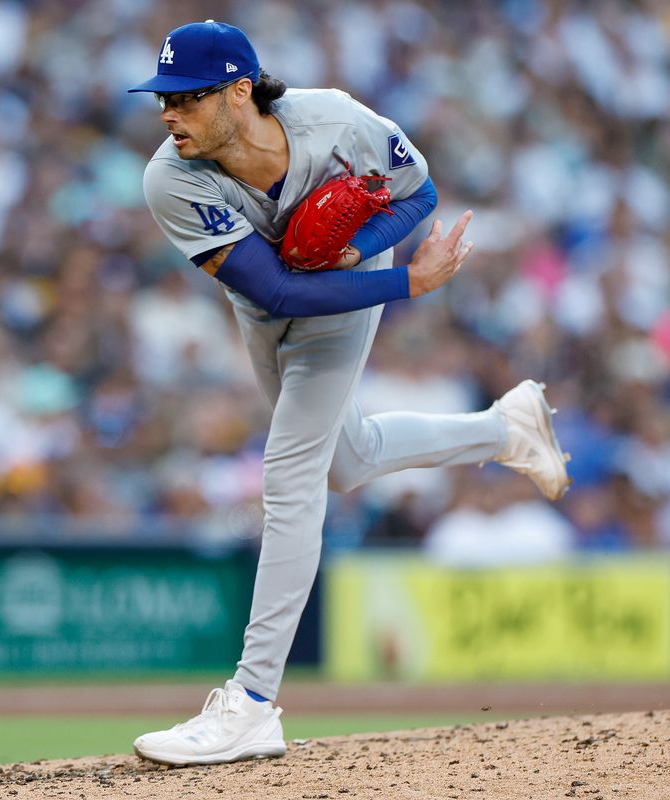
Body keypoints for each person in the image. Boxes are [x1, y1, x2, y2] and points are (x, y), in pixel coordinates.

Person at [127, 20, 571, 766]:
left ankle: (255, 701)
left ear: (241, 92)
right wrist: (408, 283)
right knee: (348, 458)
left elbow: (417, 191)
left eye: (188, 97)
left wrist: (368, 258)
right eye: (163, 98)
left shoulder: (334, 118)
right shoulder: (169, 177)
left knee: (291, 472)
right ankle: (505, 429)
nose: (169, 113)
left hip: (350, 293)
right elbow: (274, 287)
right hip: (269, 310)